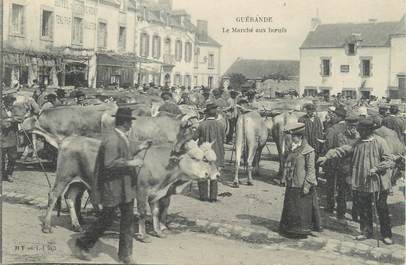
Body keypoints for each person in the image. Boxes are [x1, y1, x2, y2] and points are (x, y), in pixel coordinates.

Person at [75, 108, 150, 263]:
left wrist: (141, 147)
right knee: (107, 219)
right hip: (113, 187)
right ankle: (83, 243)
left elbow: (126, 150)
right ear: (124, 122)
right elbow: (109, 164)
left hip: (126, 187)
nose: (131, 124)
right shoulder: (112, 139)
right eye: (130, 121)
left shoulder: (120, 137)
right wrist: (131, 162)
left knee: (128, 221)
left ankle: (125, 256)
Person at [318, 118, 397, 245]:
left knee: (381, 208)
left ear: (369, 131)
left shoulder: (380, 142)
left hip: (379, 183)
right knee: (364, 208)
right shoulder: (358, 143)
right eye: (359, 130)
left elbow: (389, 160)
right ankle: (366, 231)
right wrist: (326, 156)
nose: (360, 132)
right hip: (363, 182)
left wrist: (377, 168)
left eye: (362, 130)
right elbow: (341, 150)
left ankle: (386, 234)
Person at [279, 122, 319, 238]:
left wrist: (307, 185)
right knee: (291, 207)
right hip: (292, 183)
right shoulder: (293, 148)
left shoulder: (309, 150)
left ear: (300, 137)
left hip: (302, 185)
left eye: (294, 137)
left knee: (301, 209)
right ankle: (289, 229)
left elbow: (311, 169)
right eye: (292, 137)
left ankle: (300, 231)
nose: (292, 139)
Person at [196, 103, 225, 202]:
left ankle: (203, 196)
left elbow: (194, 137)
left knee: (202, 172)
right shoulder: (221, 125)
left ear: (206, 114)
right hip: (216, 153)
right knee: (214, 174)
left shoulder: (201, 125)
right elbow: (223, 139)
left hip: (204, 153)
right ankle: (213, 197)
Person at [334, 113, 360, 222]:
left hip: (356, 169)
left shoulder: (359, 136)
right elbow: (343, 150)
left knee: (356, 193)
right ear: (347, 126)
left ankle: (355, 214)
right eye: (350, 126)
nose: (353, 129)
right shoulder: (341, 136)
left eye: (354, 126)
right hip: (344, 168)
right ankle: (341, 215)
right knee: (342, 192)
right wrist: (356, 147)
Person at [323, 106, 347, 214]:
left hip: (333, 161)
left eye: (335, 115)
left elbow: (328, 145)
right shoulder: (350, 128)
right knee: (343, 187)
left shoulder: (332, 129)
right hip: (346, 163)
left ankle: (330, 206)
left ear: (339, 117)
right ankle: (342, 210)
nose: (333, 117)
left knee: (331, 185)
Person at [1, 95, 19, 182]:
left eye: (12, 103)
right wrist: (8, 121)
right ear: (5, 103)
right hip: (3, 138)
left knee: (13, 158)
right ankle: (2, 174)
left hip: (12, 138)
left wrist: (14, 119)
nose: (11, 105)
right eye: (9, 103)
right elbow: (3, 124)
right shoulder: (1, 110)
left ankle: (9, 174)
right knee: (2, 159)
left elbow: (20, 117)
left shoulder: (14, 110)